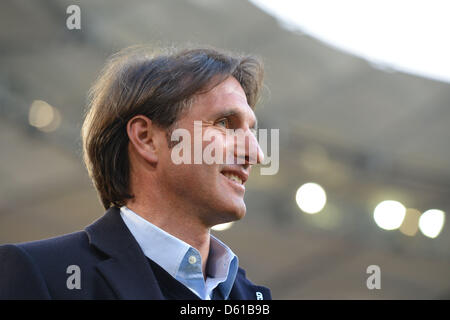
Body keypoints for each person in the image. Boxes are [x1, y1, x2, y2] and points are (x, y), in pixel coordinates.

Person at [0, 46, 272, 300]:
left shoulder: (252, 296)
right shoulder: (39, 275)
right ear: (146, 138)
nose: (256, 154)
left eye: (251, 130)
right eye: (225, 123)